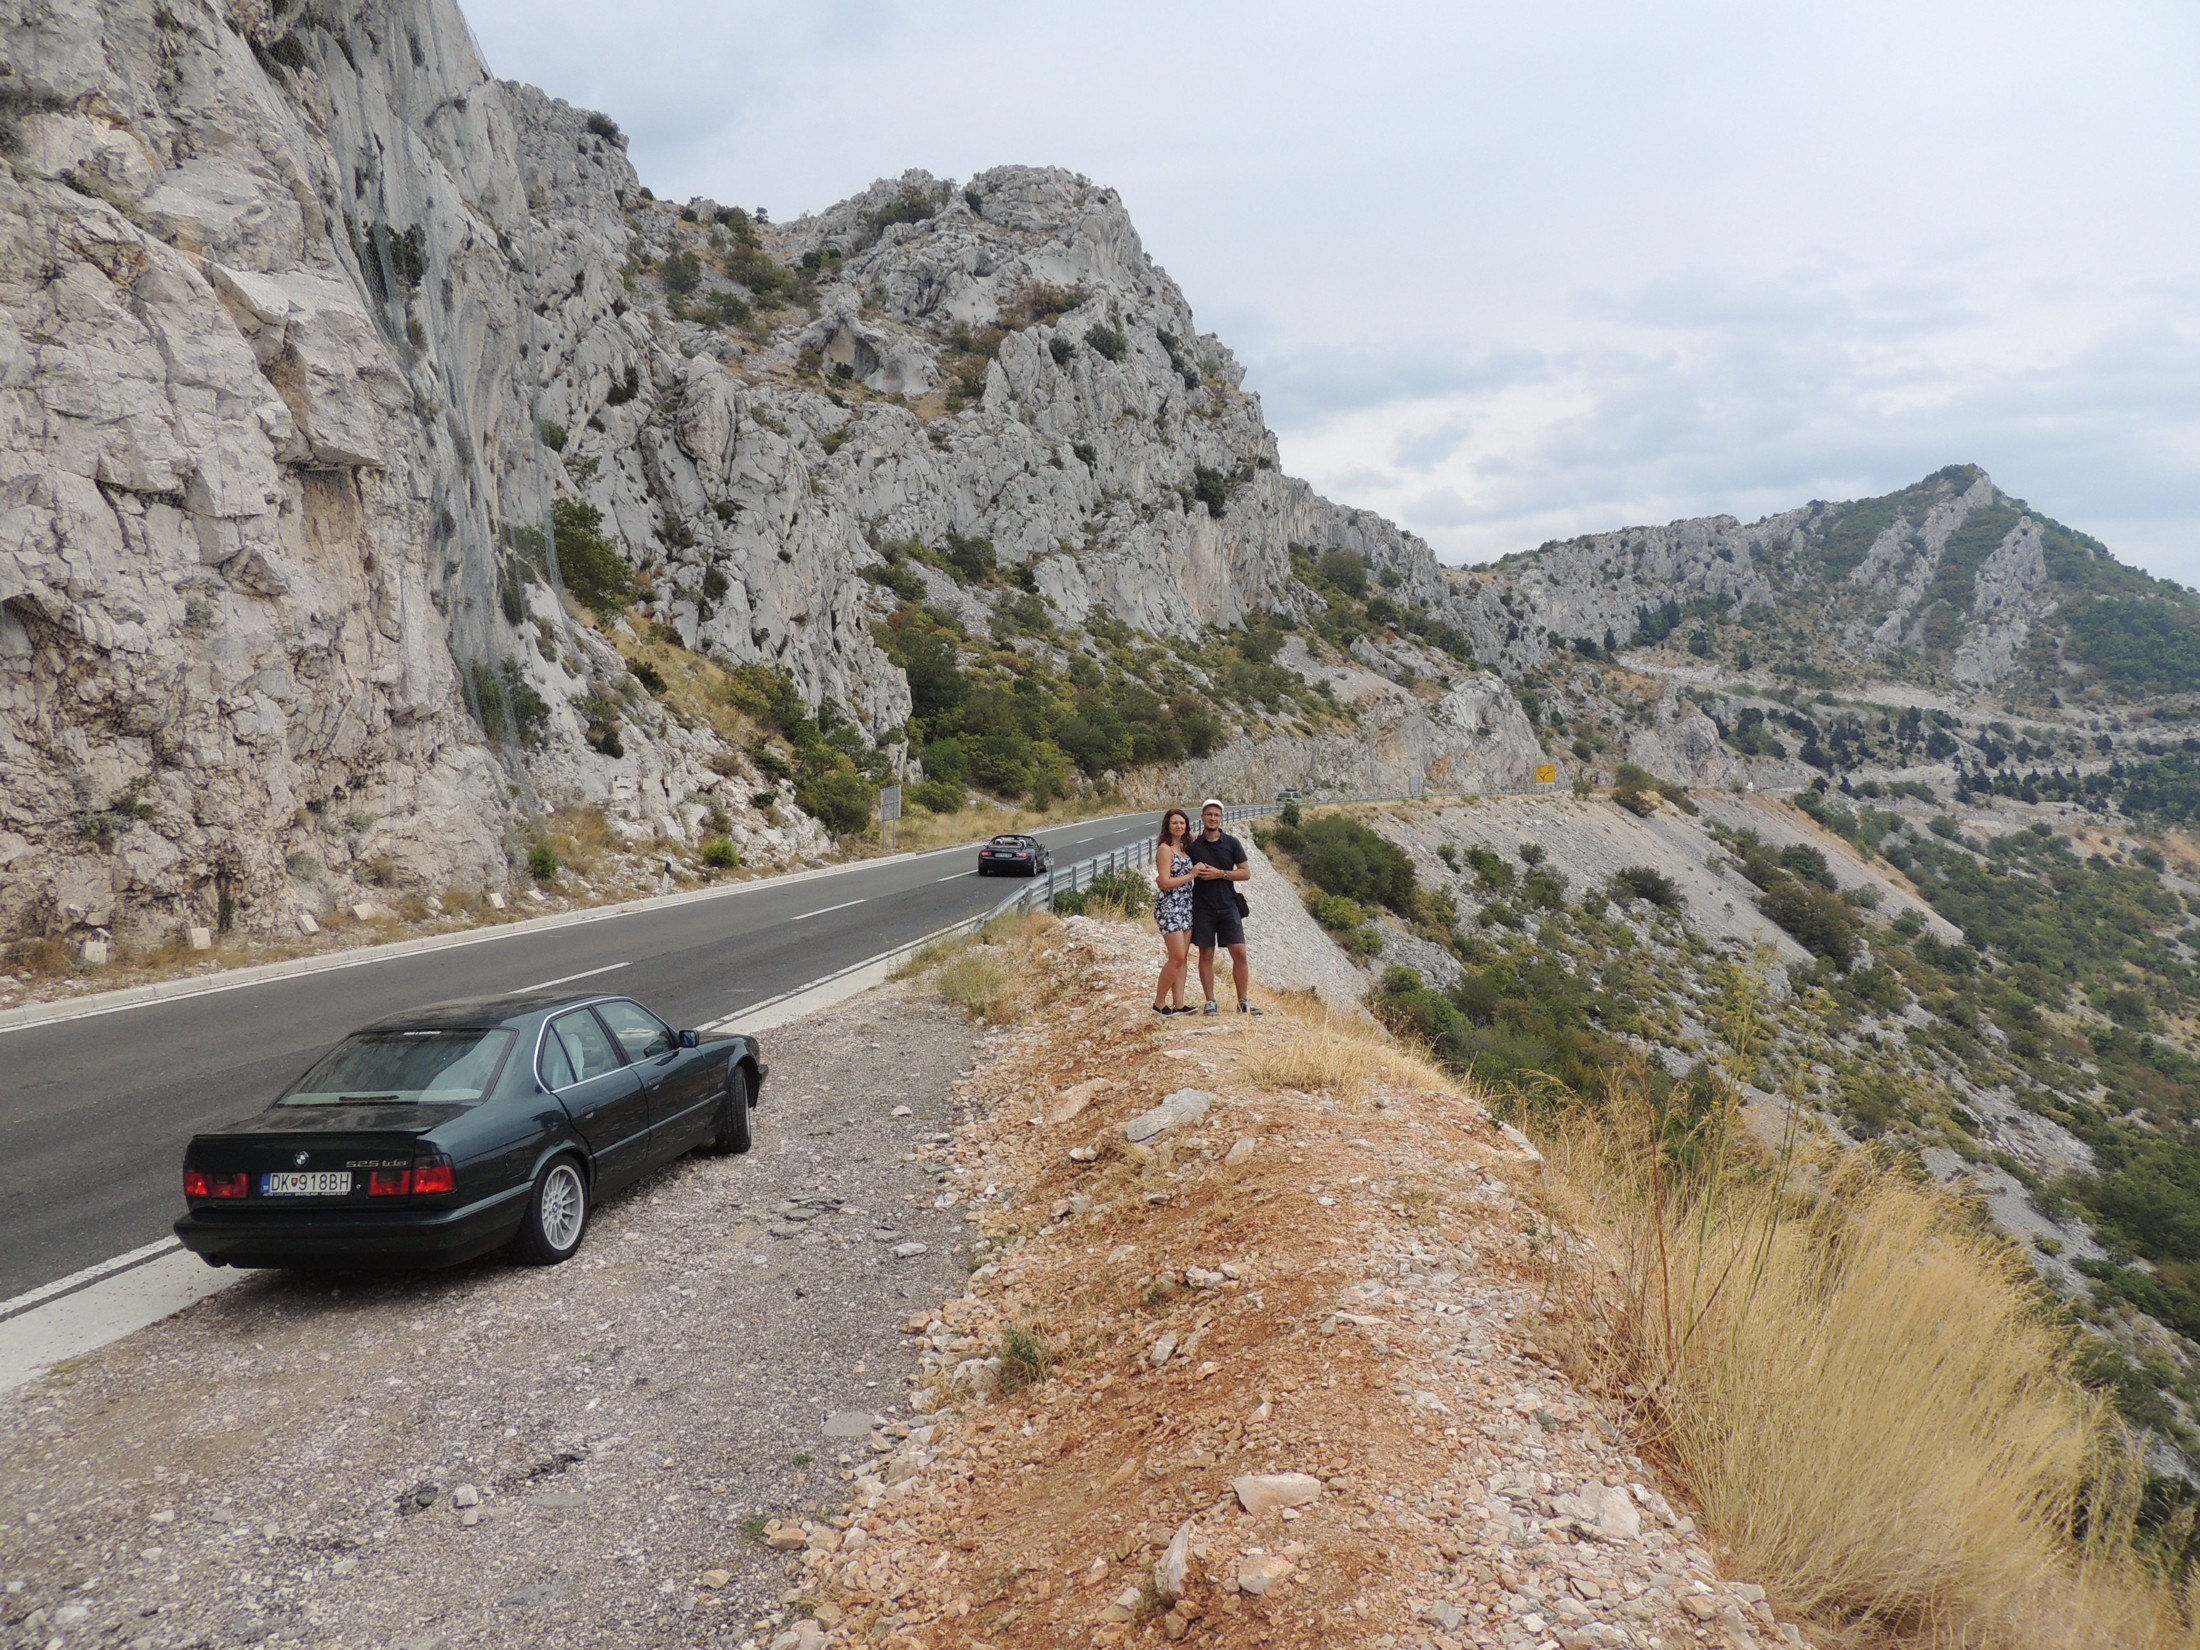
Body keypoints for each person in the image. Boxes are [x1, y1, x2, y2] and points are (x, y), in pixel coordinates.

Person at [1186, 798, 1260, 1016]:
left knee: (1240, 952)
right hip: (1202, 906)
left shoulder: (1232, 843)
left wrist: (1220, 874)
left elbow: (1245, 873)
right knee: (1206, 953)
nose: (1212, 818)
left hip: (1228, 904)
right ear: (1202, 817)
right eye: (1209, 814)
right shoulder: (1193, 844)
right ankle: (1210, 1001)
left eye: (1216, 815)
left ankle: (1243, 1001)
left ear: (1221, 818)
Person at [1151, 808, 1197, 1014]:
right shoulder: (1165, 849)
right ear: (1167, 826)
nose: (1178, 826)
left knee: (1183, 958)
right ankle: (1159, 1002)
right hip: (1170, 906)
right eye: (1174, 823)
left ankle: (1179, 1004)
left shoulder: (1185, 847)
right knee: (1176, 956)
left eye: (1182, 823)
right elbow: (1164, 882)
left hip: (1186, 906)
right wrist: (1191, 875)